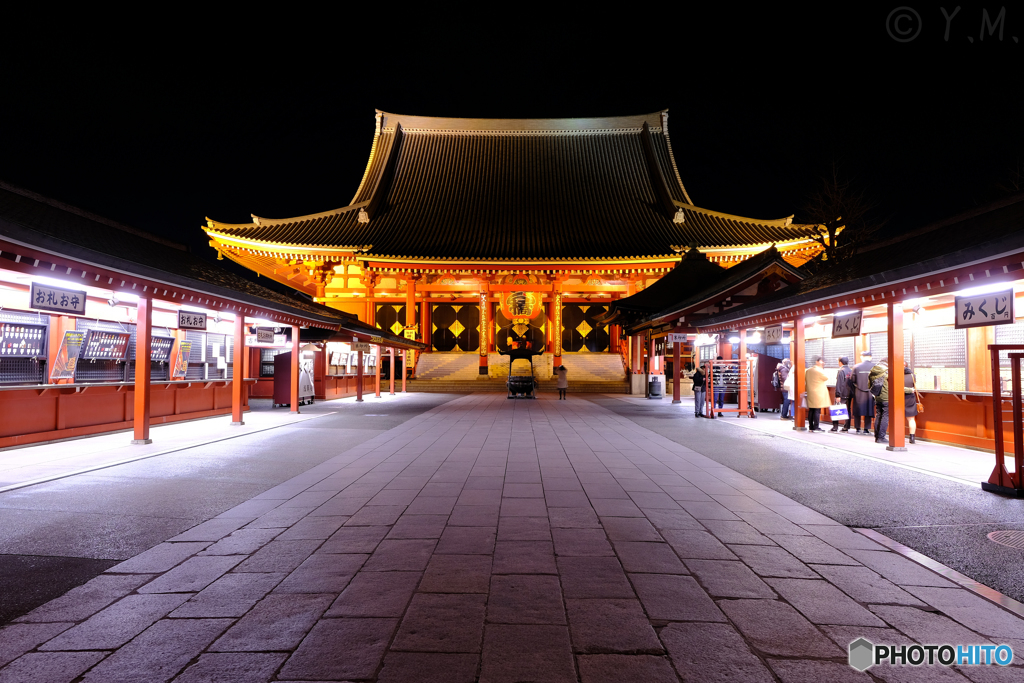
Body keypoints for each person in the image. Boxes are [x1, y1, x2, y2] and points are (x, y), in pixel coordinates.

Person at [851, 351, 877, 435]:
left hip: (858, 391)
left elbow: (852, 380)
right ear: (870, 357)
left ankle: (858, 428)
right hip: (870, 392)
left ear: (862, 357)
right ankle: (866, 429)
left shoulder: (856, 367)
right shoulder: (875, 367)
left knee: (858, 409)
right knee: (869, 410)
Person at [805, 355, 830, 432]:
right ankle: (816, 427)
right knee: (817, 410)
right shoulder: (818, 370)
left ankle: (811, 427)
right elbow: (826, 377)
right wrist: (821, 369)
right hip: (818, 393)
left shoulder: (808, 370)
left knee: (811, 410)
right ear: (817, 362)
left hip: (810, 392)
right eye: (821, 361)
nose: (823, 362)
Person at [869, 358, 890, 443]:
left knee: (878, 415)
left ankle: (877, 436)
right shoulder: (887, 372)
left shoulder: (872, 371)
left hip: (877, 397)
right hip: (886, 397)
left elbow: (869, 385)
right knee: (885, 416)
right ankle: (881, 437)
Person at [831, 356, 853, 432]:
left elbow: (839, 384)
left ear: (840, 362)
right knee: (848, 410)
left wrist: (838, 395)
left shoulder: (841, 371)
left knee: (837, 409)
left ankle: (835, 427)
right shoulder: (850, 370)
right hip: (849, 394)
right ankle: (846, 426)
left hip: (842, 394)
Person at [904, 361, 919, 444]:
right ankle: (912, 438)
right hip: (910, 397)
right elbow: (914, 385)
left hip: (898, 397)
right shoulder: (912, 375)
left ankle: (898, 436)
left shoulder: (896, 375)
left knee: (897, 418)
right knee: (911, 419)